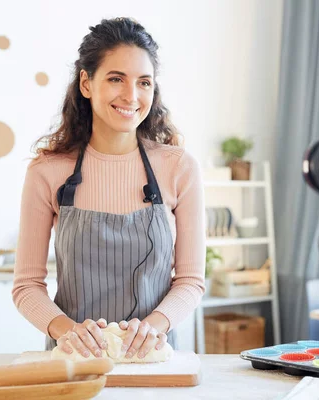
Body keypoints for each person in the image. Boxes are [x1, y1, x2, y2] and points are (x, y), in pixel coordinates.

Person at [12, 17, 205, 361]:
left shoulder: (179, 167)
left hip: (152, 360)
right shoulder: (47, 171)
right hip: (72, 361)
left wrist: (154, 326)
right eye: (116, 79)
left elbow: (191, 280)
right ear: (86, 83)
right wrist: (65, 330)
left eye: (144, 82)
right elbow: (27, 286)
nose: (132, 96)